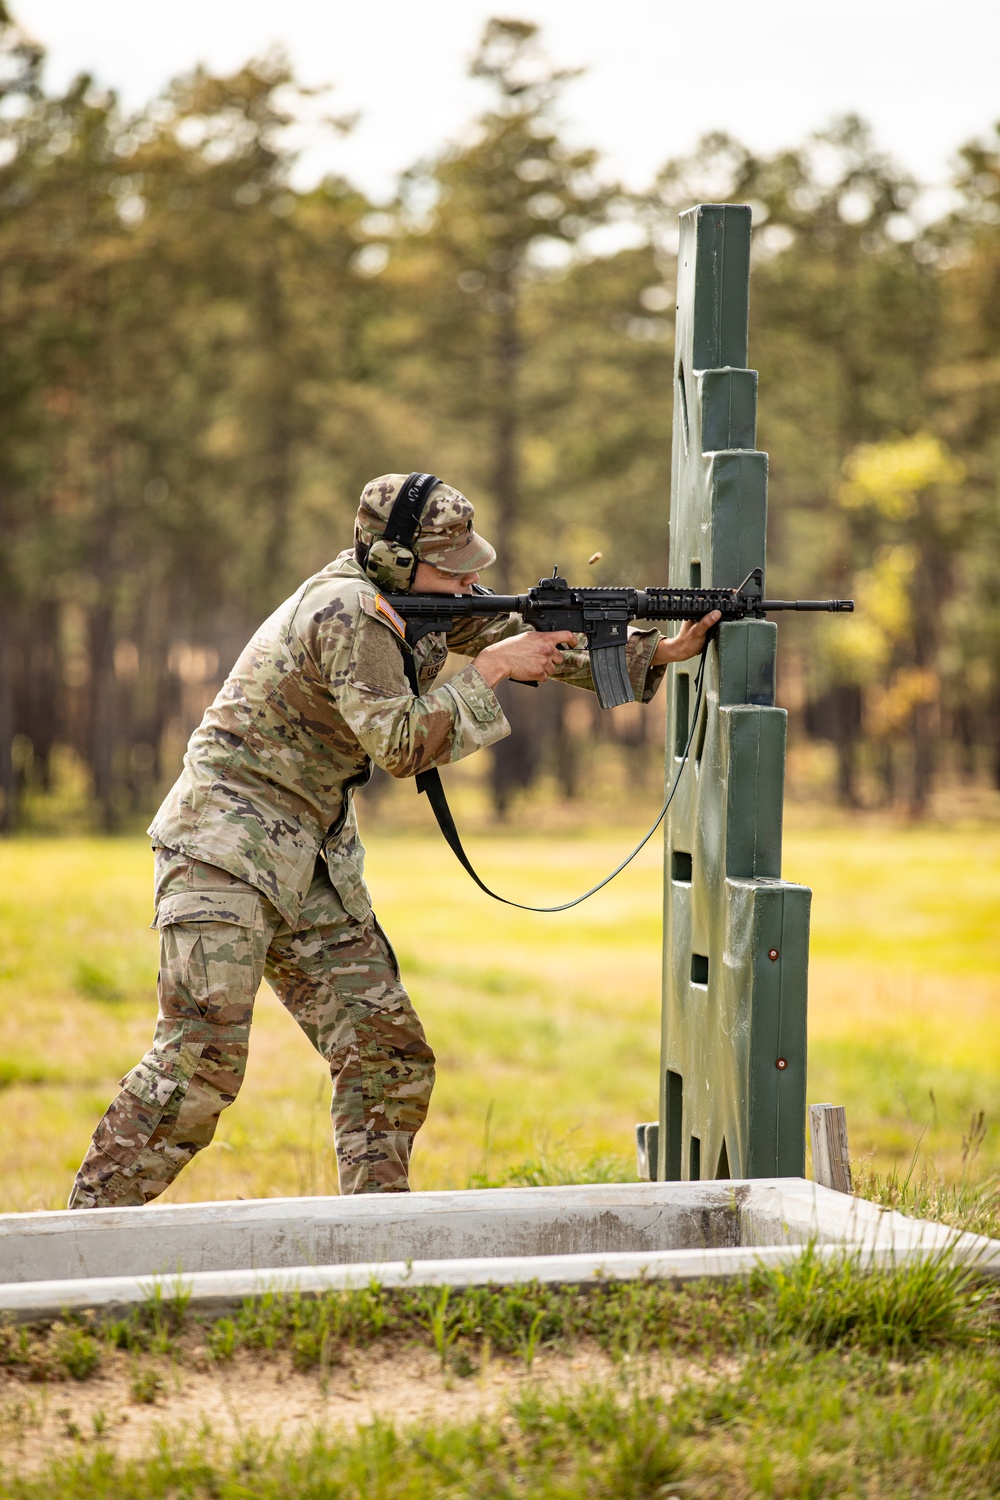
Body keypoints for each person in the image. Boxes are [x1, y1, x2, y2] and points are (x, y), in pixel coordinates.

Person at [69, 474, 719, 1209]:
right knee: (199, 1066)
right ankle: (83, 1236)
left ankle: (376, 1240)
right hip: (225, 848)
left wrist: (652, 654)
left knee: (386, 1056)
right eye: (455, 565)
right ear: (397, 562)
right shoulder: (347, 611)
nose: (473, 578)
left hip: (306, 854)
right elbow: (403, 743)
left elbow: (514, 633)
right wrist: (493, 674)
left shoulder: (420, 599)